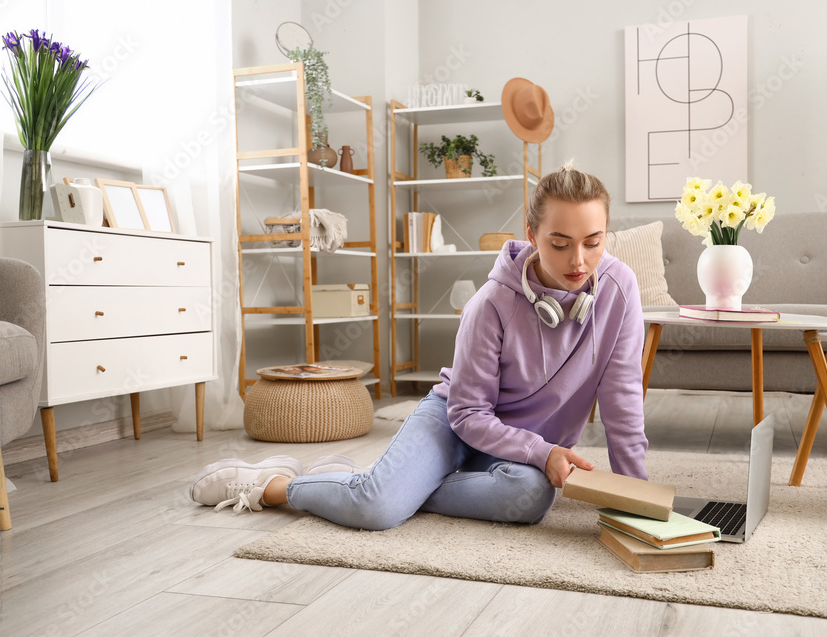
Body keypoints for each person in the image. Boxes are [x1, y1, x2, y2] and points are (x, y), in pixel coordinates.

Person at [190, 161, 648, 529]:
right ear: (531, 234)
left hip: (516, 448)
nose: (579, 261)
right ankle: (270, 484)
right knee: (377, 510)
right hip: (455, 421)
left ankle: (383, 482)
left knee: (530, 497)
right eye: (561, 243)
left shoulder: (620, 290)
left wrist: (637, 499)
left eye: (593, 242)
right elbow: (468, 414)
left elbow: (622, 399)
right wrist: (543, 453)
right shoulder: (490, 304)